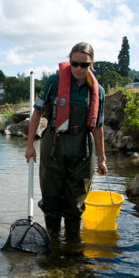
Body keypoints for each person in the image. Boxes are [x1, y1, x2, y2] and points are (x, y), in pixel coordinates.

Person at [25, 42, 107, 240]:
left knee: (76, 202)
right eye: (74, 63)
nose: (79, 68)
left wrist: (102, 159)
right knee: (51, 200)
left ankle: (72, 245)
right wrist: (29, 146)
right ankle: (52, 241)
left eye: (84, 65)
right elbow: (36, 113)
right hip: (54, 145)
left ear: (92, 64)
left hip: (83, 148)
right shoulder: (54, 82)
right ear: (69, 61)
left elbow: (98, 127)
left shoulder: (98, 91)